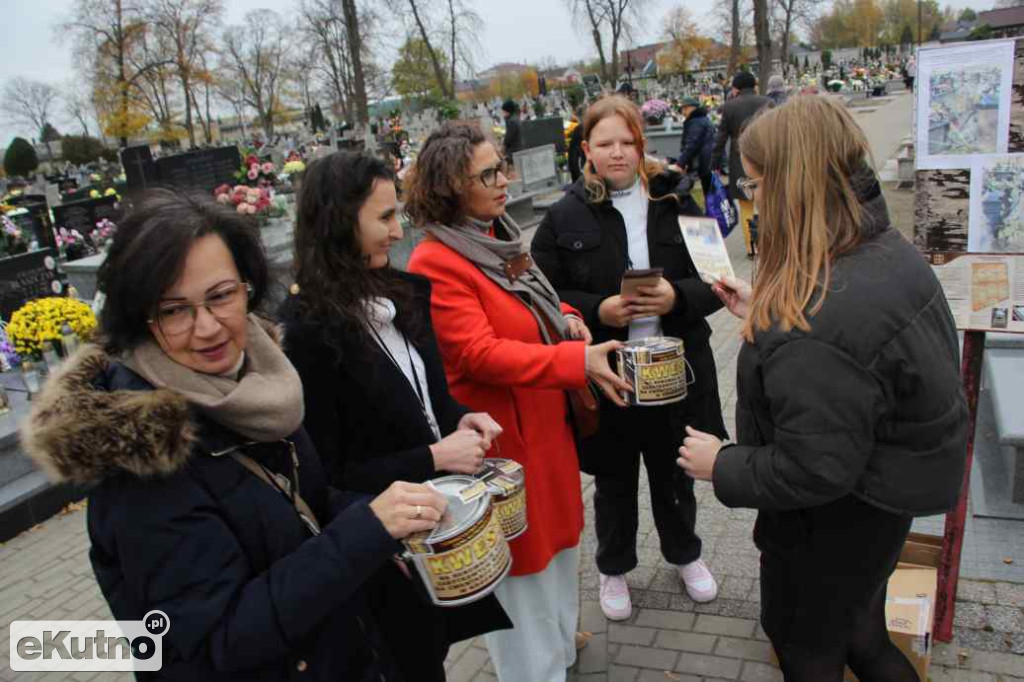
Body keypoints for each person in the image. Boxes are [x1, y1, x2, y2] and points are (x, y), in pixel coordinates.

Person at [21, 189, 449, 681]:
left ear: (248, 288)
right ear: (140, 318)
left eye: (221, 296)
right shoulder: (146, 462)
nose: (207, 327)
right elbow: (214, 641)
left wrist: (390, 513)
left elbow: (300, 503)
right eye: (173, 310)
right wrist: (365, 532)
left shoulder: (257, 387)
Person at [677, 95, 968, 682]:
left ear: (792, 186)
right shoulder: (880, 249)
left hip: (831, 523)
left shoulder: (818, 316)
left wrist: (723, 464)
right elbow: (854, 358)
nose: (751, 199)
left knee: (809, 647)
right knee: (862, 631)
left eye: (756, 185)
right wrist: (768, 309)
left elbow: (813, 469)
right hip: (884, 500)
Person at [405, 122, 631, 682]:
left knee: (557, 552)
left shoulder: (496, 233)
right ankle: (535, 670)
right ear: (451, 186)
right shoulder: (437, 260)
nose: (504, 179)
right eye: (488, 174)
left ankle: (558, 645)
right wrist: (576, 362)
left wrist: (574, 323)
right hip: (504, 441)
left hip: (543, 429)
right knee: (522, 569)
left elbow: (543, 304)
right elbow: (479, 354)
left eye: (500, 165)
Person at [279, 151, 512, 681]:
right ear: (339, 223)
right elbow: (327, 474)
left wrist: (461, 418)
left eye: (397, 212)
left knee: (432, 655)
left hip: (430, 534)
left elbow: (425, 399)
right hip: (380, 556)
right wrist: (434, 456)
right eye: (383, 218)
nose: (397, 228)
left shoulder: (399, 293)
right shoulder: (309, 334)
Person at [531, 95, 728, 623]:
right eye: (605, 143)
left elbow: (718, 280)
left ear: (641, 146)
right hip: (608, 372)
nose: (617, 153)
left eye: (627, 142)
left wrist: (677, 298)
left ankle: (684, 553)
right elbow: (545, 297)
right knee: (615, 478)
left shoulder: (675, 201)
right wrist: (601, 310)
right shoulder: (563, 216)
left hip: (676, 367)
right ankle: (614, 567)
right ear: (587, 151)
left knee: (675, 471)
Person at [712, 71, 769, 257]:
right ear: (754, 85)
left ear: (736, 88)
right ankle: (771, 242)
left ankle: (751, 247)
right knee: (768, 202)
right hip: (766, 157)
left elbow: (720, 137)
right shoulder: (766, 102)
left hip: (740, 160)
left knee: (746, 205)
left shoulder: (729, 107)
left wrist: (714, 163)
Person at [676, 96, 717, 203]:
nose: (683, 112)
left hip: (702, 162)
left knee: (707, 191)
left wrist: (680, 163)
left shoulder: (695, 122)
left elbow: (691, 144)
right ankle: (711, 212)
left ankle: (710, 214)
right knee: (709, 191)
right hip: (708, 161)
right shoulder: (702, 119)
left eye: (685, 108)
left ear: (692, 108)